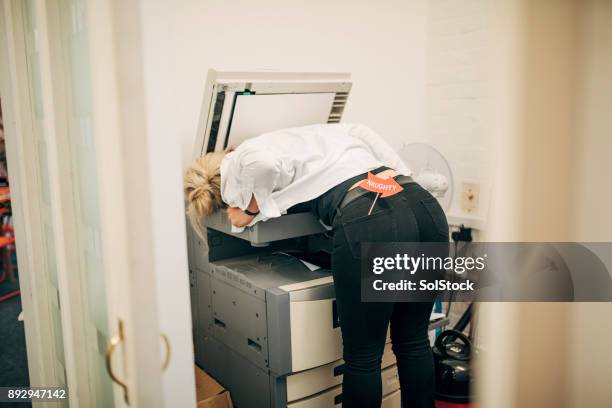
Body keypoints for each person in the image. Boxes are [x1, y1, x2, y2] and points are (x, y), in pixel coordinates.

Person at [184, 123, 449, 408]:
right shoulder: (314, 134)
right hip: (424, 206)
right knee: (412, 342)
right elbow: (365, 132)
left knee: (363, 358)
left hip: (372, 220)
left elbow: (263, 165)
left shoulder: (240, 158)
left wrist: (248, 210)